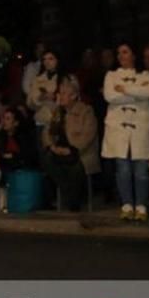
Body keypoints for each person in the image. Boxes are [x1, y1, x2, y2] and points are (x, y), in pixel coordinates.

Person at [101, 43, 149, 222]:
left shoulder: (145, 74)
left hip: (140, 126)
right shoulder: (111, 75)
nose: (121, 56)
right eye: (118, 53)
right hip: (118, 127)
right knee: (122, 168)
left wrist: (124, 89)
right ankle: (126, 204)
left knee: (141, 169)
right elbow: (109, 96)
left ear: (133, 55)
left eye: (125, 52)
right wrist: (136, 94)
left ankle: (141, 205)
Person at [41, 80, 98, 211]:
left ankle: (73, 200)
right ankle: (69, 194)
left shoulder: (86, 111)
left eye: (64, 93)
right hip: (60, 149)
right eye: (59, 93)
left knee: (76, 167)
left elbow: (89, 134)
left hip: (80, 152)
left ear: (74, 96)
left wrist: (72, 149)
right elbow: (47, 131)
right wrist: (52, 146)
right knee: (47, 158)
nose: (60, 96)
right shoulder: (57, 112)